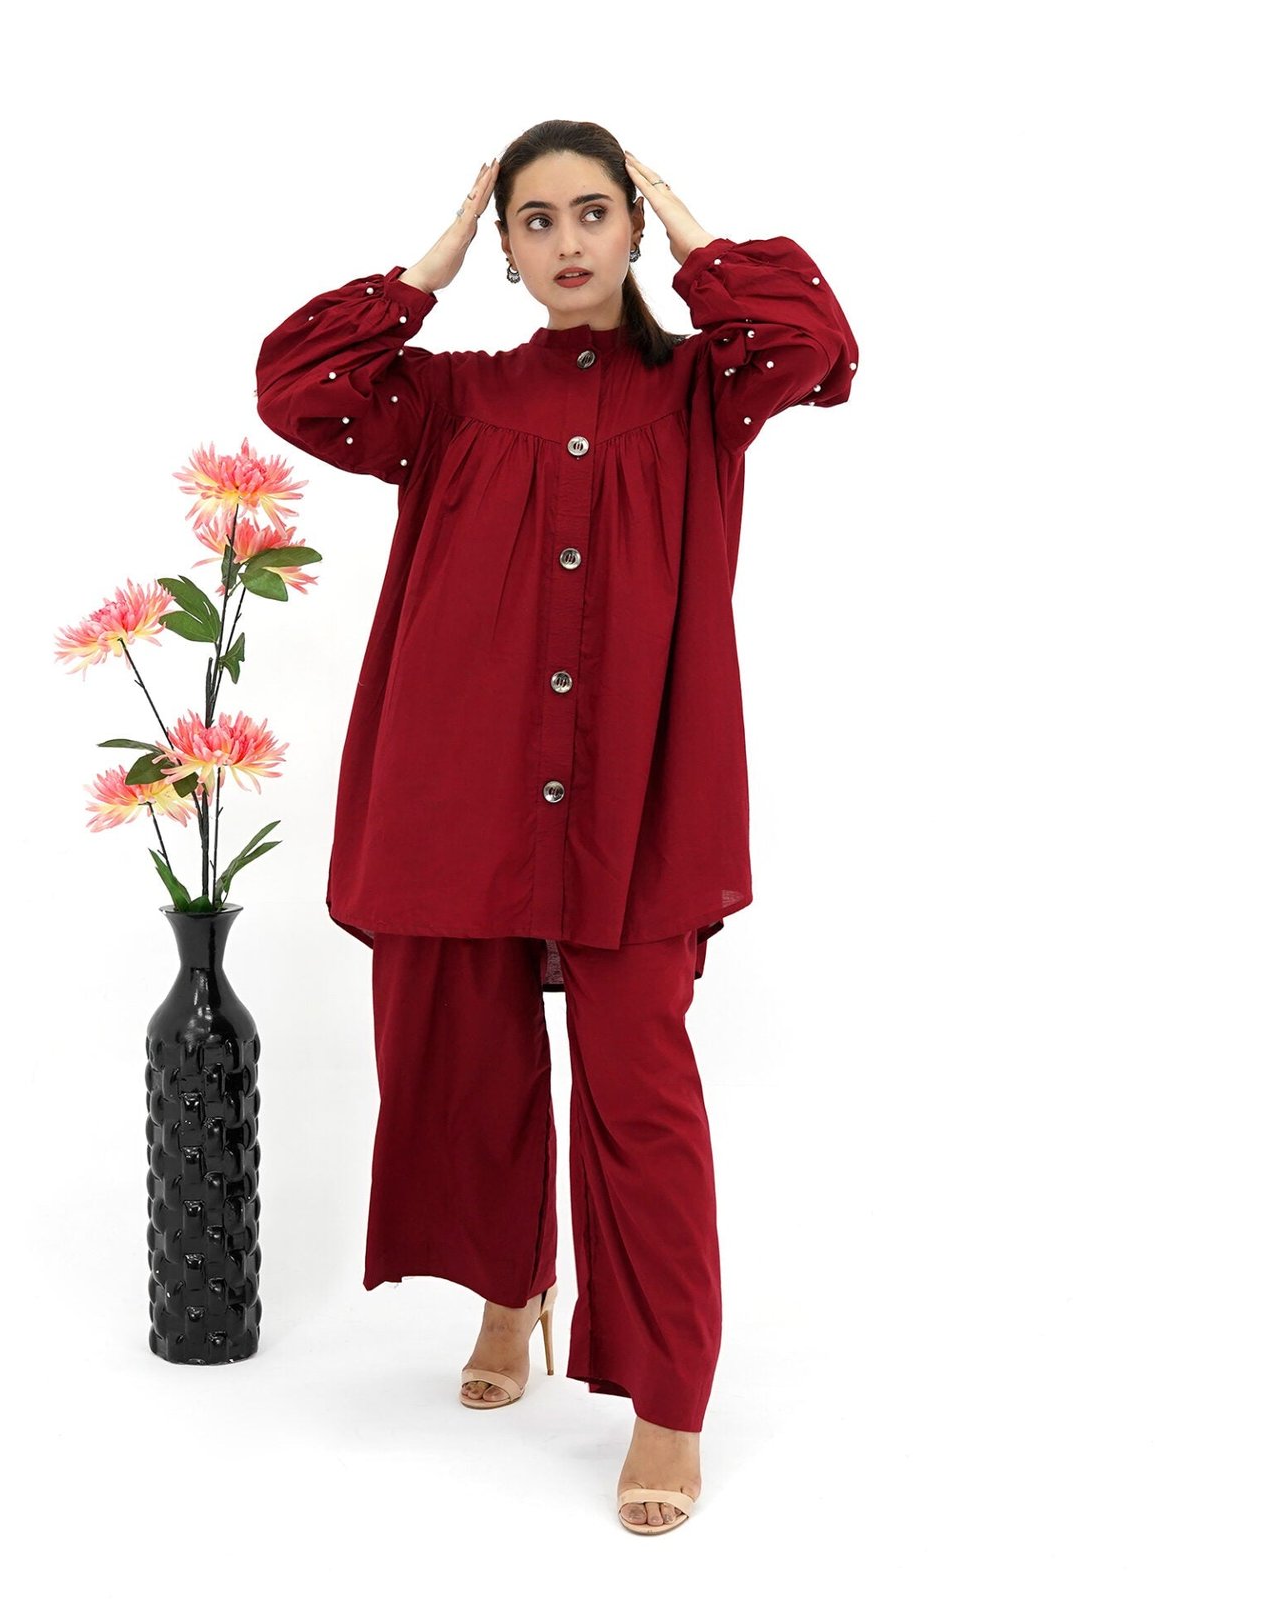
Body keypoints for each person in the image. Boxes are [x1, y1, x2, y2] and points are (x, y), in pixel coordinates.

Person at [254, 119, 859, 1534]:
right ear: (506, 250)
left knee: (641, 1091)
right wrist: (426, 267)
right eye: (536, 220)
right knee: (461, 1059)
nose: (570, 241)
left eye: (596, 212)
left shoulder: (708, 389)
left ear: (632, 229)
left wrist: (697, 233)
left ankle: (668, 1400)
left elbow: (813, 339)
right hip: (457, 789)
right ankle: (508, 1291)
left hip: (643, 804)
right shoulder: (448, 400)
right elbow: (295, 386)